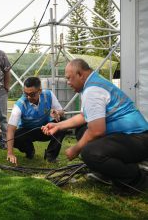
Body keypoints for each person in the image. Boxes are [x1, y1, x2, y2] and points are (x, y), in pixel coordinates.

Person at [42, 59, 148, 195]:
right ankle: (105, 171)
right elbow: (84, 117)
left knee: (89, 152)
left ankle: (136, 178)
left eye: (69, 78)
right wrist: (58, 125)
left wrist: (76, 149)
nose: (68, 82)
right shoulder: (92, 84)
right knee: (82, 131)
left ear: (80, 74)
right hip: (132, 137)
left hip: (138, 139)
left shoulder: (92, 90)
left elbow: (97, 131)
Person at [7, 77, 66, 165]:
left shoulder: (48, 95)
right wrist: (10, 153)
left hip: (45, 129)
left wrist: (58, 112)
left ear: (40, 91)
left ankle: (51, 156)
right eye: (25, 93)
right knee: (14, 137)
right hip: (28, 132)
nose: (28, 97)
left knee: (63, 122)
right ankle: (29, 151)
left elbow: (61, 112)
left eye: (32, 94)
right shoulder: (20, 104)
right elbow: (10, 129)